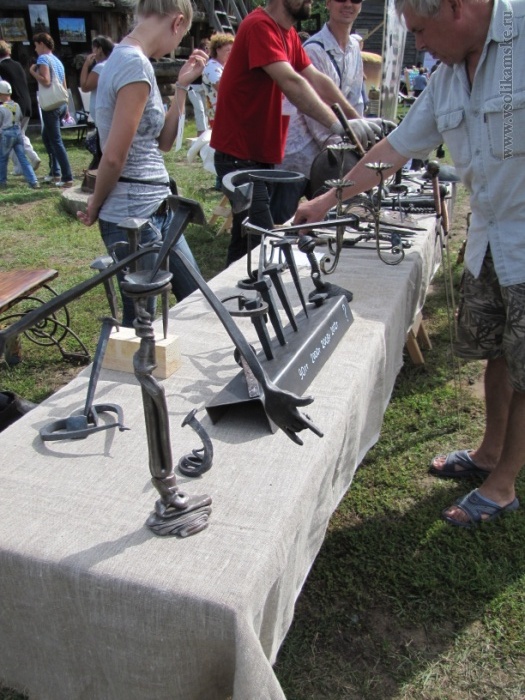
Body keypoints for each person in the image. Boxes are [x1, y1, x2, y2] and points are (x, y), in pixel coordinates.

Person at [294, 0, 525, 529]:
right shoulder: (448, 77)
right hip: (491, 239)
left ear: (456, 8)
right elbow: (392, 151)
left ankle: (503, 483)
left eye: (421, 30)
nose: (419, 45)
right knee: (498, 351)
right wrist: (324, 203)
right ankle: (490, 452)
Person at [77, 0, 207, 328]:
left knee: (195, 300)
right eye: (181, 37)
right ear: (177, 22)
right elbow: (114, 156)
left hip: (159, 209)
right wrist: (95, 203)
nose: (175, 46)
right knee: (141, 321)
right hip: (133, 217)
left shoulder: (130, 61)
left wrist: (181, 86)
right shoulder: (133, 64)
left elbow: (162, 142)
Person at [210, 0, 368, 266]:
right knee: (258, 239)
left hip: (257, 155)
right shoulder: (260, 26)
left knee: (248, 241)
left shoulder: (287, 33)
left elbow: (316, 79)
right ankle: (243, 290)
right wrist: (339, 126)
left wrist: (355, 120)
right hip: (240, 155)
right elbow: (291, 81)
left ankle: (236, 290)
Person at [282, 0, 365, 199]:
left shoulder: (354, 48)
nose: (348, 4)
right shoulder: (314, 49)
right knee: (283, 215)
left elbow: (354, 102)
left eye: (355, 0)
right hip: (298, 154)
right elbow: (314, 114)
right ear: (328, 3)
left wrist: (361, 131)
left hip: (329, 156)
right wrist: (351, 146)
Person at [29, 33, 74, 188]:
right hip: (60, 103)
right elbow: (63, 84)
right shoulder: (57, 61)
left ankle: (66, 176)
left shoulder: (42, 59)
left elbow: (46, 81)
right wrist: (67, 105)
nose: (35, 49)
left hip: (51, 105)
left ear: (42, 44)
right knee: (47, 136)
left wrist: (33, 72)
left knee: (55, 141)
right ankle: (55, 171)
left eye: (36, 45)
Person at [0, 40, 41, 174]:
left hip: (11, 106)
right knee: (19, 134)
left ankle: (29, 159)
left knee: (8, 134)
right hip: (26, 104)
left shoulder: (1, 67)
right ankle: (22, 164)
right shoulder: (17, 65)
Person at [79, 35, 115, 169]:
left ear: (99, 49)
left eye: (93, 48)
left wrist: (86, 65)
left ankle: (98, 172)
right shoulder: (113, 64)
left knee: (101, 151)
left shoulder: (100, 67)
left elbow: (85, 86)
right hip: (109, 112)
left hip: (101, 114)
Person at [0, 80, 39, 190]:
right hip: (17, 132)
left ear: (1, 94)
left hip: (7, 134)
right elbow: (21, 118)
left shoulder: (1, 108)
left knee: (3, 159)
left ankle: (2, 182)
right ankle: (33, 181)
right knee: (23, 158)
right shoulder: (17, 105)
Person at [202, 33, 235, 128]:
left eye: (232, 50)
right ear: (218, 50)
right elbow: (223, 88)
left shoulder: (226, 66)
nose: (231, 53)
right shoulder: (212, 66)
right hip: (219, 115)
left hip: (228, 113)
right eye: (227, 50)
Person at [187, 38, 211, 136]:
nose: (208, 51)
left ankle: (205, 133)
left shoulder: (210, 60)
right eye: (206, 48)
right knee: (199, 110)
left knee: (206, 110)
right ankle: (201, 133)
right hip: (193, 88)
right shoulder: (197, 58)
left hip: (203, 89)